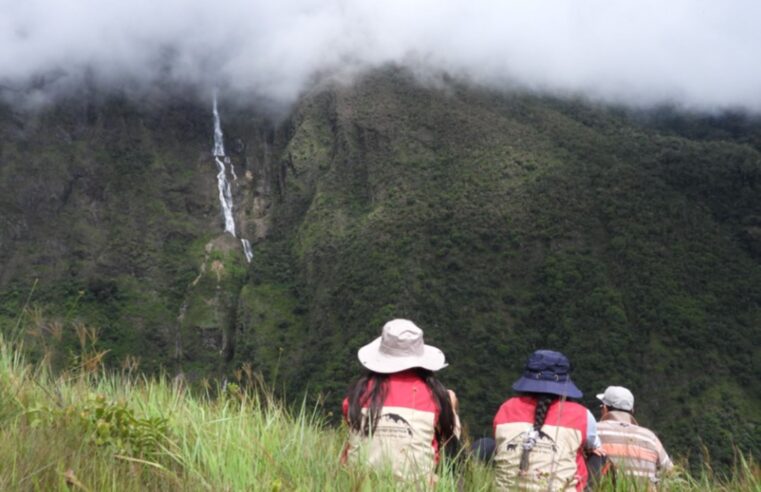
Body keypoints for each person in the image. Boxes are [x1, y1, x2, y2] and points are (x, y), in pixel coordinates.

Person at [341, 319, 461, 482]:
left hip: (360, 484)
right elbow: (448, 438)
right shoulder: (435, 396)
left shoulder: (358, 393)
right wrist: (451, 406)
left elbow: (353, 426)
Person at [493, 349, 601, 491]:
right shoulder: (582, 414)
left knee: (489, 446)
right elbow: (595, 446)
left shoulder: (506, 408)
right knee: (598, 456)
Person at [596, 386, 673, 485]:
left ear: (605, 408)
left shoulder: (594, 431)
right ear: (632, 411)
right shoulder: (649, 437)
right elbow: (670, 472)